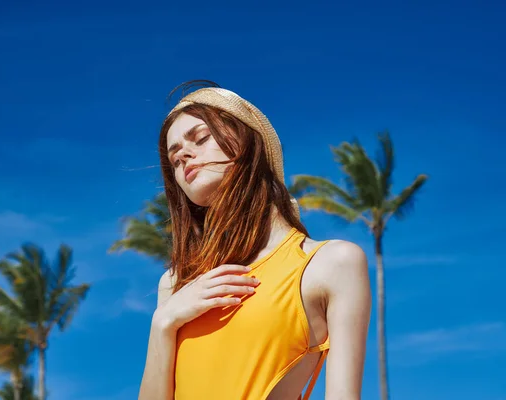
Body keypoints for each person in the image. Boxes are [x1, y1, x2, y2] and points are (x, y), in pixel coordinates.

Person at [139, 81, 371, 400]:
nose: (185, 157)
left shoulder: (329, 263)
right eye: (175, 159)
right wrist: (163, 323)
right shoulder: (176, 285)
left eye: (201, 138)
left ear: (248, 140)